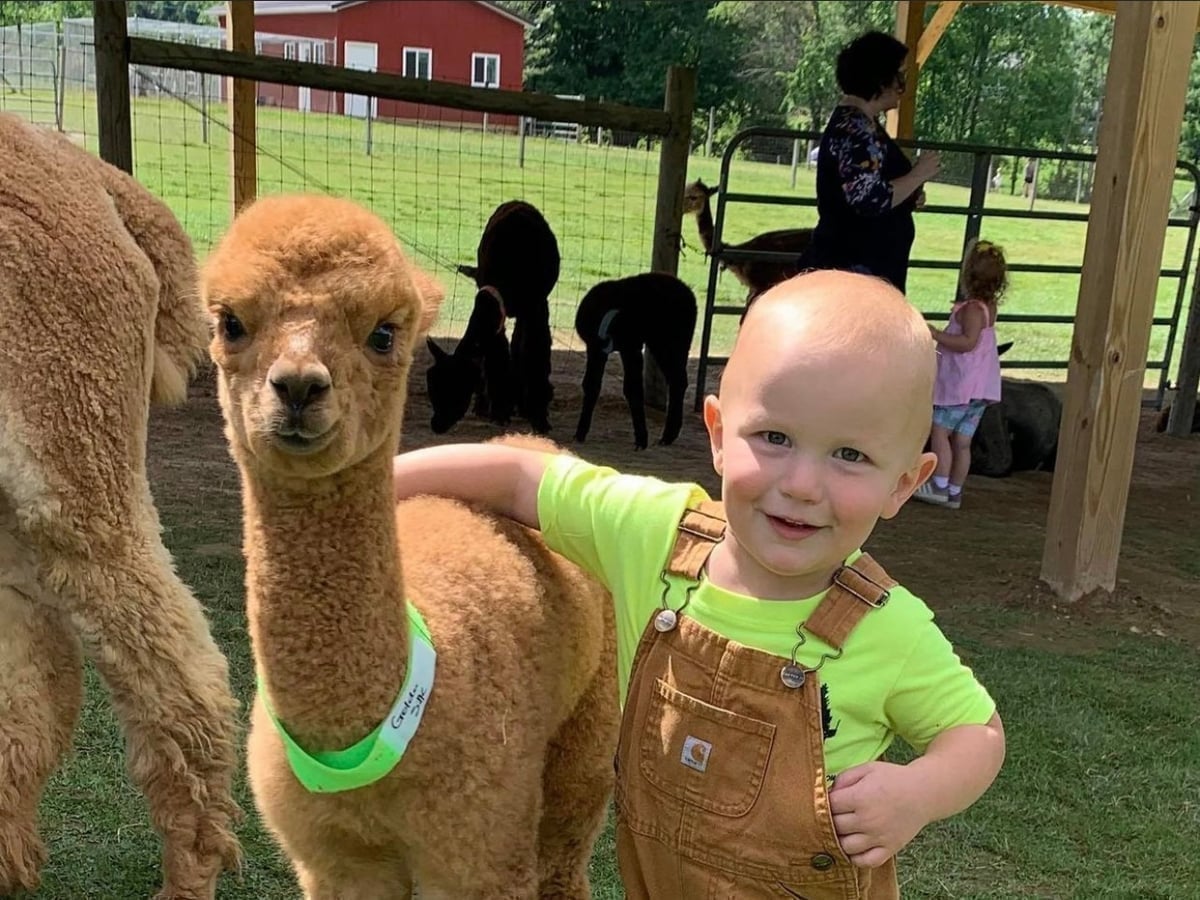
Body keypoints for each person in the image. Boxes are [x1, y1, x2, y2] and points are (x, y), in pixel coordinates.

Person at [391, 270, 1005, 899]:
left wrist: (918, 793)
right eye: (774, 437)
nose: (800, 483)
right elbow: (521, 478)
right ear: (717, 432)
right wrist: (365, 489)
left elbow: (977, 734)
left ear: (904, 482)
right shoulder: (653, 535)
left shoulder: (889, 630)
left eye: (849, 455)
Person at [803, 31, 941, 293]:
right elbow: (869, 198)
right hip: (855, 272)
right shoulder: (854, 130)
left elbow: (872, 186)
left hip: (862, 268)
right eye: (899, 75)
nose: (903, 84)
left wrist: (909, 194)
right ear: (879, 79)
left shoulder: (861, 125)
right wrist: (917, 175)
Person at [914, 239, 1006, 510]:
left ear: (968, 277)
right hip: (979, 391)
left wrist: (934, 333)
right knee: (963, 441)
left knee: (940, 433)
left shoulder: (970, 311)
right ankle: (955, 490)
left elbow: (967, 343)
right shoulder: (989, 309)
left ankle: (939, 485)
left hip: (959, 388)